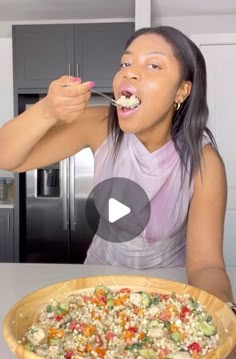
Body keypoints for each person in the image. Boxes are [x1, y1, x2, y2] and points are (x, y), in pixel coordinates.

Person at [0, 25, 234, 306]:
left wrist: (225, 317)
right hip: (100, 288)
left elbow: (206, 266)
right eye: (125, 62)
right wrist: (47, 110)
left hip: (166, 294)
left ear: (181, 91)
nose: (129, 72)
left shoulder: (203, 162)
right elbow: (7, 157)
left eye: (153, 65)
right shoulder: (102, 126)